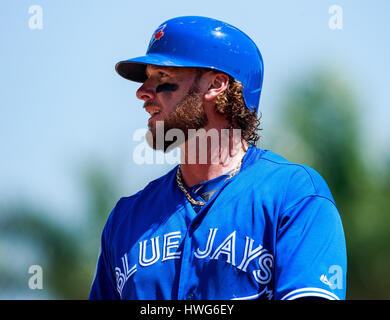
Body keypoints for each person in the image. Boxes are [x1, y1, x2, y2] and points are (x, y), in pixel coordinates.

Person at [89, 16, 347, 300]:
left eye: (162, 77)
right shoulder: (126, 218)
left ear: (217, 84)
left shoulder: (294, 195)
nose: (142, 92)